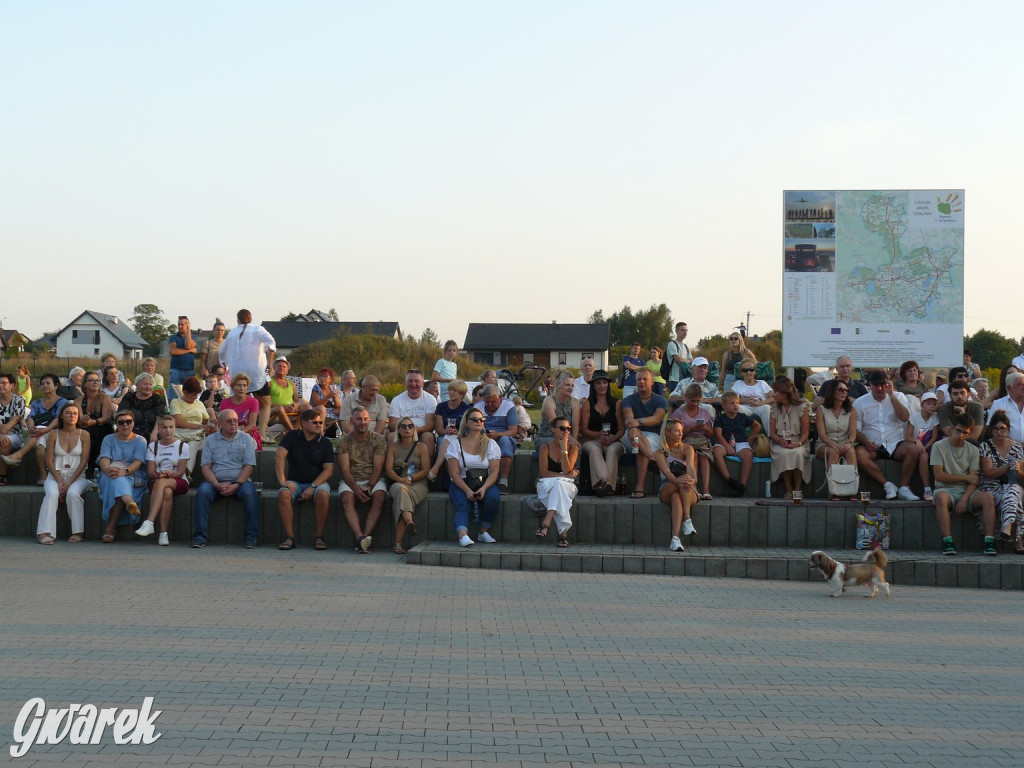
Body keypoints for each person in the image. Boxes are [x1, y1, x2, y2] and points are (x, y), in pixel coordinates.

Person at [192, 409, 260, 549]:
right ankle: (199, 537)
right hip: (216, 481)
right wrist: (216, 484)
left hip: (241, 481)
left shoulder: (246, 439)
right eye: (229, 421)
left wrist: (237, 484)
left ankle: (251, 537)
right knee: (203, 492)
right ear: (220, 422)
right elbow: (206, 467)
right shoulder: (211, 440)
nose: (234, 424)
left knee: (250, 494)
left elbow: (249, 467)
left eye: (236, 420)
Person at [931, 412, 997, 556]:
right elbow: (939, 476)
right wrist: (965, 478)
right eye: (958, 430)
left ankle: (989, 541)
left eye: (964, 433)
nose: (960, 435)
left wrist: (964, 499)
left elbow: (974, 480)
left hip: (967, 491)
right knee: (940, 498)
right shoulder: (938, 446)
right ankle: (947, 541)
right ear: (953, 428)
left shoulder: (973, 450)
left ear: (969, 433)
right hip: (945, 489)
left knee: (988, 498)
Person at [853, 370, 920, 501]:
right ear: (870, 385)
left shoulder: (899, 396)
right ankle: (887, 484)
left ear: (888, 384)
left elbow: (905, 417)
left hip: (895, 442)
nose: (879, 388)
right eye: (875, 385)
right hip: (872, 443)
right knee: (859, 454)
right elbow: (856, 430)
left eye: (883, 385)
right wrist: (866, 442)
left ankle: (904, 487)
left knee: (912, 450)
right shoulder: (859, 402)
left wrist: (892, 396)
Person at [275, 409, 335, 552]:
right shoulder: (291, 436)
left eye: (321, 422)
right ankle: (289, 537)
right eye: (315, 422)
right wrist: (283, 481)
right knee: (283, 493)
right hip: (295, 482)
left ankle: (319, 536)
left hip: (318, 483)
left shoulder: (325, 442)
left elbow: (329, 470)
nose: (319, 425)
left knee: (322, 494)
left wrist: (313, 486)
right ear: (303, 423)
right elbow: (279, 456)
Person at [218, 308, 276, 443]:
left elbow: (221, 353)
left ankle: (231, 431)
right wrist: (270, 363)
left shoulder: (232, 333)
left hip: (237, 374)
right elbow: (271, 344)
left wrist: (225, 366)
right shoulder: (259, 330)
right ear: (251, 318)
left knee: (235, 403)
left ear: (237, 320)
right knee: (265, 403)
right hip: (255, 373)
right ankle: (261, 433)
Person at [336, 405, 388, 553]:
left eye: (365, 419)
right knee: (346, 498)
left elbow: (378, 468)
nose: (362, 422)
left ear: (370, 419)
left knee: (380, 497)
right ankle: (360, 537)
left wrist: (370, 486)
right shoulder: (343, 441)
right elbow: (344, 469)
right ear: (352, 421)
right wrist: (355, 488)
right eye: (359, 419)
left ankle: (366, 535)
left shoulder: (379, 440)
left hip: (373, 479)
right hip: (351, 479)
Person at [446, 408, 501, 547]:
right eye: (475, 419)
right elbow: (454, 473)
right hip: (462, 482)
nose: (479, 422)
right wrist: (467, 490)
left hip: (483, 481)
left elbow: (494, 472)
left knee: (493, 498)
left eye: (482, 420)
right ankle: (463, 536)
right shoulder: (456, 444)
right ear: (466, 423)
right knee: (463, 505)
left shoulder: (490, 444)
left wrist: (484, 488)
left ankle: (483, 531)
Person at [37, 402, 89, 545]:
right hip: (55, 475)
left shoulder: (84, 434)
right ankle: (44, 532)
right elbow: (49, 460)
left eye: (75, 413)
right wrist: (59, 481)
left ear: (78, 416)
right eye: (68, 413)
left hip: (78, 476)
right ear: (61, 416)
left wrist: (70, 481)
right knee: (52, 493)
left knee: (73, 494)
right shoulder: (53, 434)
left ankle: (78, 532)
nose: (72, 415)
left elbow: (84, 461)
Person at [3, 373, 68, 484]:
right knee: (39, 446)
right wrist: (31, 428)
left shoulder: (62, 402)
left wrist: (46, 429)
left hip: (56, 432)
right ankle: (43, 476)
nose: (45, 385)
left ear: (56, 386)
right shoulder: (37, 402)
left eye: (48, 383)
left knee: (39, 432)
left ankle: (18, 455)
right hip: (40, 433)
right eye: (42, 384)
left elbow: (58, 419)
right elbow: (31, 417)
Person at [136, 415, 190, 545]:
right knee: (166, 492)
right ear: (159, 430)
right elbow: (150, 472)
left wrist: (169, 474)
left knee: (162, 483)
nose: (168, 430)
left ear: (175, 428)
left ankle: (149, 522)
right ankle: (163, 534)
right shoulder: (153, 446)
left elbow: (181, 471)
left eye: (171, 427)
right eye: (164, 427)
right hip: (159, 481)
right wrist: (160, 475)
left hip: (178, 481)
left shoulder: (183, 446)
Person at [98, 410, 148, 542]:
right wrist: (108, 470)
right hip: (111, 473)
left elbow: (138, 462)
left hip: (133, 475)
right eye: (121, 422)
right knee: (116, 479)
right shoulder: (108, 439)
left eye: (128, 421)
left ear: (133, 423)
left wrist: (124, 471)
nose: (125, 425)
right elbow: (104, 458)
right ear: (116, 425)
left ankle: (110, 528)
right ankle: (129, 502)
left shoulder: (140, 440)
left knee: (117, 481)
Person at [978, 410, 1024, 554]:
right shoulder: (985, 446)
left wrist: (1017, 470)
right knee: (1014, 497)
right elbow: (989, 474)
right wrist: (1006, 467)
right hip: (991, 487)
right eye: (996, 429)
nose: (999, 432)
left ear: (1008, 429)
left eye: (1002, 428)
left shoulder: (1016, 447)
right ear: (991, 430)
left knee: (1013, 489)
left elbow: (1022, 476)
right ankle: (1017, 540)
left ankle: (1007, 526)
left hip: (1012, 486)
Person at [385, 417, 430, 554]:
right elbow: (388, 470)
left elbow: (426, 470)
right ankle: (409, 521)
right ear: (398, 429)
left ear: (414, 429)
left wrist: (411, 478)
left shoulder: (421, 447)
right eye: (403, 426)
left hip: (418, 483)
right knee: (400, 490)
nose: (407, 429)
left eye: (410, 426)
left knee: (401, 497)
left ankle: (398, 543)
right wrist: (401, 479)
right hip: (397, 482)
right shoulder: (393, 447)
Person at [653, 419, 699, 552]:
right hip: (668, 485)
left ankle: (675, 539)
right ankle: (687, 520)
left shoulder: (687, 448)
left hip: (687, 488)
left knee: (676, 498)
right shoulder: (659, 453)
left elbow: (690, 467)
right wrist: (683, 480)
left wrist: (694, 480)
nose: (680, 433)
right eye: (677, 430)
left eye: (681, 431)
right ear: (667, 432)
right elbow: (668, 475)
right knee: (681, 482)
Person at [621, 368, 668, 498]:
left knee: (639, 442)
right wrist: (635, 426)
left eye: (645, 379)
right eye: (639, 379)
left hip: (653, 436)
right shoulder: (628, 400)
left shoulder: (660, 400)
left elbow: (657, 419)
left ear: (652, 381)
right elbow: (629, 421)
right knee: (634, 434)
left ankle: (639, 487)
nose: (641, 382)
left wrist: (639, 422)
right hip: (630, 437)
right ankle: (652, 457)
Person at [534, 416, 579, 548]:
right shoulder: (545, 447)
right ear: (553, 429)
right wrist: (564, 475)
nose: (566, 431)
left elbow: (567, 469)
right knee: (560, 487)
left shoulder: (573, 448)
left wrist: (564, 450)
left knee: (559, 485)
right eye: (562, 428)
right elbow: (544, 473)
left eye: (568, 429)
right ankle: (563, 536)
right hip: (546, 484)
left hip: (567, 486)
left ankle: (546, 523)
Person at [579, 369, 625, 497]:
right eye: (598, 383)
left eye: (604, 382)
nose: (602, 386)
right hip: (591, 439)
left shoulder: (616, 403)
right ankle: (607, 483)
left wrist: (612, 439)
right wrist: (598, 435)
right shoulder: (588, 403)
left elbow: (622, 429)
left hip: (613, 439)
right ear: (593, 385)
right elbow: (584, 429)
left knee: (612, 450)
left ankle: (603, 485)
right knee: (594, 449)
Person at [814, 376, 859, 499]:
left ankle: (852, 490)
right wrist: (834, 445)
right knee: (834, 452)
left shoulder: (851, 410)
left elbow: (853, 433)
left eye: (846, 390)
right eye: (840, 390)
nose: (844, 392)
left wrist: (849, 443)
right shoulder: (821, 409)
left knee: (851, 451)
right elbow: (822, 434)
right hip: (825, 444)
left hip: (845, 442)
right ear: (832, 391)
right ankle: (833, 490)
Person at [669, 383, 715, 500]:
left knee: (704, 457)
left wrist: (706, 428)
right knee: (693, 456)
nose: (695, 404)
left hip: (701, 441)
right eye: (692, 401)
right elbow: (672, 435)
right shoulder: (679, 413)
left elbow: (711, 434)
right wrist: (689, 430)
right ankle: (694, 488)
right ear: (686, 398)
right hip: (685, 442)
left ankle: (706, 490)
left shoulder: (704, 412)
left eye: (698, 401)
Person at [768, 377, 811, 499]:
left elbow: (805, 433)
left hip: (799, 441)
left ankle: (798, 488)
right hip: (780, 441)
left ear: (784, 393)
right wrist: (779, 441)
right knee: (783, 453)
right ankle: (788, 488)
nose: (773, 394)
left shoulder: (802, 406)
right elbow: (772, 433)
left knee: (797, 453)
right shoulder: (774, 408)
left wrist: (798, 443)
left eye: (775, 391)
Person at [712, 391, 761, 496]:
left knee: (748, 455)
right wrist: (728, 447)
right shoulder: (720, 418)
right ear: (724, 406)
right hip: (724, 442)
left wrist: (750, 439)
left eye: (737, 403)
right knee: (716, 452)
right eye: (732, 403)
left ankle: (742, 485)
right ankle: (729, 480)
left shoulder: (742, 417)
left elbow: (757, 426)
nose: (735, 405)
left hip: (741, 442)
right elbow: (718, 435)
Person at [476, 384, 518, 494]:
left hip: (503, 437)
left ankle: (503, 480)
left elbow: (513, 431)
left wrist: (498, 434)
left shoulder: (509, 406)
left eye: (493, 402)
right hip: (483, 437)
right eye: (487, 402)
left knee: (505, 440)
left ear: (500, 397)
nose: (489, 405)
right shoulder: (477, 408)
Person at [170, 375, 214, 475]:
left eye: (196, 395)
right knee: (180, 445)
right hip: (181, 434)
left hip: (198, 436)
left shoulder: (199, 404)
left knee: (192, 445)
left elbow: (206, 421)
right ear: (184, 392)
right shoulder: (176, 402)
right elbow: (178, 422)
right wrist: (199, 426)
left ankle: (185, 474)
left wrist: (210, 423)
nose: (195, 398)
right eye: (193, 395)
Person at [429, 379, 471, 480]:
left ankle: (435, 468)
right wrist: (446, 431)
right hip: (444, 436)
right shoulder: (441, 406)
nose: (451, 393)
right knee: (448, 439)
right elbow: (439, 429)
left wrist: (458, 432)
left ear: (461, 394)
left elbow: (469, 430)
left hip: (461, 437)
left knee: (450, 443)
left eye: (454, 391)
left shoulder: (467, 409)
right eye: (450, 390)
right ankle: (452, 480)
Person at [388, 369, 437, 455]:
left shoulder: (430, 399)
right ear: (405, 383)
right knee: (391, 436)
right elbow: (392, 424)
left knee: (428, 436)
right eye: (410, 381)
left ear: (423, 384)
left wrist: (415, 430)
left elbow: (430, 425)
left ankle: (428, 468)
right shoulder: (397, 400)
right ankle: (394, 466)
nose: (413, 384)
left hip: (422, 432)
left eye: (417, 381)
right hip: (402, 431)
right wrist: (405, 430)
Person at [75, 370, 112, 470]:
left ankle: (93, 468)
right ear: (85, 384)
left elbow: (106, 418)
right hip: (85, 428)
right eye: (91, 380)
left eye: (97, 380)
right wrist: (83, 419)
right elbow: (79, 417)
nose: (95, 382)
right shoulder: (79, 400)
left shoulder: (105, 398)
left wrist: (93, 422)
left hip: (101, 428)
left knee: (94, 434)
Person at [536, 371, 580, 449]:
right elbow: (557, 426)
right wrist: (571, 441)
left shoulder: (575, 402)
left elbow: (575, 425)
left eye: (572, 385)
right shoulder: (549, 401)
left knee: (574, 449)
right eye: (567, 385)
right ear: (558, 385)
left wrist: (574, 441)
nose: (570, 388)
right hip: (548, 437)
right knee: (563, 445)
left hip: (567, 438)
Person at [119, 372, 168, 441]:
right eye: (145, 384)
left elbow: (161, 417)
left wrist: (154, 433)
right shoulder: (129, 397)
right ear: (137, 385)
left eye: (150, 384)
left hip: (153, 431)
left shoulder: (156, 398)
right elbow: (121, 414)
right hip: (131, 430)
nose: (148, 387)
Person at [221, 372, 262, 450]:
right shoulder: (225, 403)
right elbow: (223, 424)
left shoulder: (253, 402)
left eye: (244, 385)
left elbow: (252, 425)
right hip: (229, 432)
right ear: (233, 387)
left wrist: (238, 433)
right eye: (239, 385)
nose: (242, 388)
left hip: (247, 432)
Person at [267, 357, 308, 434]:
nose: (282, 368)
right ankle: (292, 432)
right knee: (280, 408)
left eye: (284, 367)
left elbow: (297, 401)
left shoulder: (291, 383)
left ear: (287, 370)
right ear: (274, 368)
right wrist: (283, 406)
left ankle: (295, 430)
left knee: (308, 407)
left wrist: (296, 405)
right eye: (279, 366)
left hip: (290, 410)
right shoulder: (269, 382)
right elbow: (265, 402)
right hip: (274, 411)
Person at [0, 372, 26, 485]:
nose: (0, 385)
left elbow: (15, 420)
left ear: (12, 385)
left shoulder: (19, 400)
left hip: (15, 434)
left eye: (4, 383)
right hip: (1, 433)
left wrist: (3, 432)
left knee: (4, 441)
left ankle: (2, 475)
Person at [730, 360, 773, 427]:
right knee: (737, 408)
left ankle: (770, 435)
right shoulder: (738, 383)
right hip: (745, 408)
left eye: (751, 369)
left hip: (760, 407)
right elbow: (730, 398)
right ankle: (739, 436)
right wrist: (746, 401)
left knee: (766, 407)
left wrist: (761, 403)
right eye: (745, 370)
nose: (748, 372)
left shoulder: (762, 383)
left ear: (755, 371)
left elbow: (774, 397)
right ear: (741, 373)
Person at [987, 371, 1024, 442]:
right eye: (1019, 385)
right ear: (1009, 388)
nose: (1023, 387)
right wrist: (1014, 445)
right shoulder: (998, 404)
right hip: (1007, 448)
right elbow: (991, 427)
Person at [167, 316, 197, 401]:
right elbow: (173, 351)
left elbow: (188, 344)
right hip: (175, 370)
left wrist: (188, 331)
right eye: (178, 324)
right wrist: (190, 350)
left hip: (189, 370)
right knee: (173, 396)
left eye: (182, 324)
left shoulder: (193, 337)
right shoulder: (173, 337)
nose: (180, 326)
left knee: (189, 395)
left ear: (187, 325)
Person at [309, 367, 343, 434]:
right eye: (320, 376)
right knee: (322, 408)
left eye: (325, 376)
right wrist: (328, 396)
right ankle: (320, 434)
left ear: (330, 379)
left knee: (343, 409)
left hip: (329, 411)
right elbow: (317, 404)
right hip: (317, 410)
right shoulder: (316, 387)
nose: (322, 378)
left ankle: (345, 433)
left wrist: (335, 396)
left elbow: (338, 405)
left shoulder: (332, 388)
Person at [666, 322, 693, 393]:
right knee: (675, 401)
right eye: (683, 330)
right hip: (675, 379)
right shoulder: (672, 344)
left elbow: (692, 361)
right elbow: (678, 360)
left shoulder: (686, 347)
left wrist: (687, 361)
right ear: (676, 331)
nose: (685, 332)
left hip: (686, 380)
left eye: (686, 330)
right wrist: (688, 361)